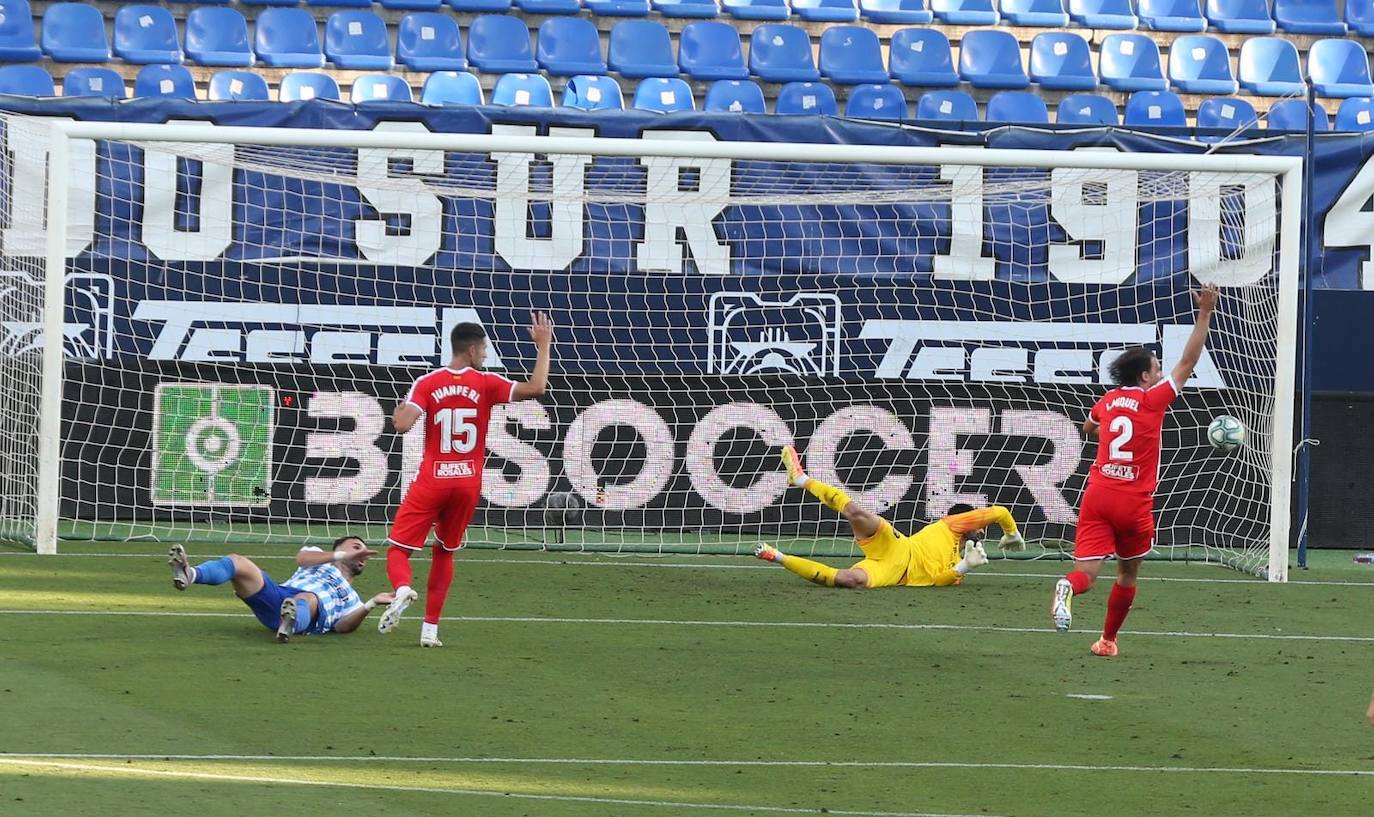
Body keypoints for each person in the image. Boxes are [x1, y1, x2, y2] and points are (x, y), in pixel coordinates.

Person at [1050, 284, 1220, 657]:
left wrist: (1100, 429)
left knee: (1088, 572)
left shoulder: (1109, 400)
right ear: (1144, 377)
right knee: (1127, 574)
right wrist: (1205, 312)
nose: (1161, 373)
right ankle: (1107, 640)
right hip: (1133, 501)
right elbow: (1189, 362)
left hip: (1097, 494)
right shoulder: (1154, 399)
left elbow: (1087, 426)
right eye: (1157, 369)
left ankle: (1067, 586)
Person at [377, 313, 554, 647]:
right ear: (471, 351)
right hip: (468, 482)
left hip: (432, 480)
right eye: (484, 349)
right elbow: (537, 388)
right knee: (445, 552)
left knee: (398, 550)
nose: (486, 354)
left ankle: (401, 589)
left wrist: (400, 410)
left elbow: (402, 426)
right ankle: (430, 630)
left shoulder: (428, 382)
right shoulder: (486, 382)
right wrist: (543, 346)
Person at [754, 446, 1025, 588]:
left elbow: (940, 581)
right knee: (855, 512)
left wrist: (965, 566)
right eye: (979, 529)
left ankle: (776, 556)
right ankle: (800, 478)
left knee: (849, 580)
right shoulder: (954, 525)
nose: (981, 535)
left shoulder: (966, 557)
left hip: (896, 575)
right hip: (898, 546)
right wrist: (1011, 533)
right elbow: (1000, 512)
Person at [166, 537, 392, 642]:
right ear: (338, 549)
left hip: (306, 611)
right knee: (238, 562)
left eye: (364, 552)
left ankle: (291, 623)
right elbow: (302, 558)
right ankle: (190, 574)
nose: (362, 553)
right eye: (356, 547)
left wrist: (371, 604)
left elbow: (343, 627)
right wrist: (342, 556)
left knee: (308, 598)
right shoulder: (318, 557)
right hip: (281, 597)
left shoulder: (353, 598)